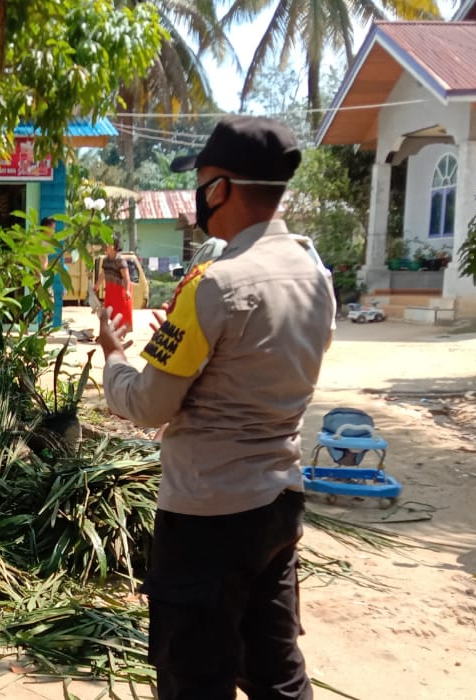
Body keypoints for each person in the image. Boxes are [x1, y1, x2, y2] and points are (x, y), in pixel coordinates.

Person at [97, 115, 333, 699]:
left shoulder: (216, 285)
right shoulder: (314, 273)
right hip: (278, 503)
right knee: (276, 672)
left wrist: (114, 359)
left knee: (195, 676)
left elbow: (150, 405)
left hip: (208, 515)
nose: (197, 196)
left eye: (200, 181)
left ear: (221, 187)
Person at [95, 234, 133, 333]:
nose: (105, 246)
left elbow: (126, 277)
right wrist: (97, 286)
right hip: (110, 290)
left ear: (114, 246)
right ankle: (109, 332)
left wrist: (128, 290)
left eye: (108, 244)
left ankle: (118, 333)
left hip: (119, 290)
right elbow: (103, 274)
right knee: (109, 312)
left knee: (119, 313)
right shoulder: (105, 260)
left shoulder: (120, 260)